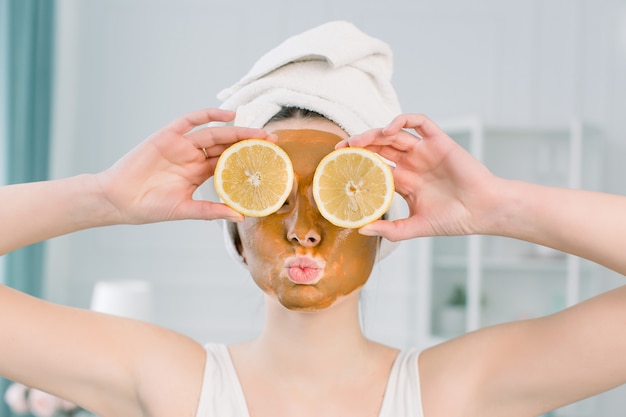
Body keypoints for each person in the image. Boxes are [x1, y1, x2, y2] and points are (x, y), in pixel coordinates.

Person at [1, 20, 625, 417]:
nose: (304, 227)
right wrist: (104, 196)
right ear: (234, 230)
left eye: (337, 192)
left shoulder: (450, 394)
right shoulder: (171, 384)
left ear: (383, 220)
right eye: (273, 194)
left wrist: (500, 206)